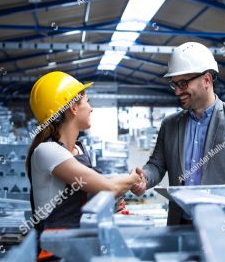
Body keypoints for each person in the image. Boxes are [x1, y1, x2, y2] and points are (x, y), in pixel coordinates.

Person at [131, 42, 225, 225]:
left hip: (223, 225)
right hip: (180, 223)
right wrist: (145, 177)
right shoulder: (170, 124)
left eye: (183, 83)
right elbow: (157, 165)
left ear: (207, 80)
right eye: (174, 84)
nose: (178, 91)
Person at [26, 71, 141, 235]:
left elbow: (97, 184)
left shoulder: (78, 149)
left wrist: (117, 198)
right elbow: (109, 187)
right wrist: (133, 179)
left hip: (78, 241)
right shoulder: (48, 151)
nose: (91, 108)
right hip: (56, 250)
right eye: (88, 101)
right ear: (73, 107)